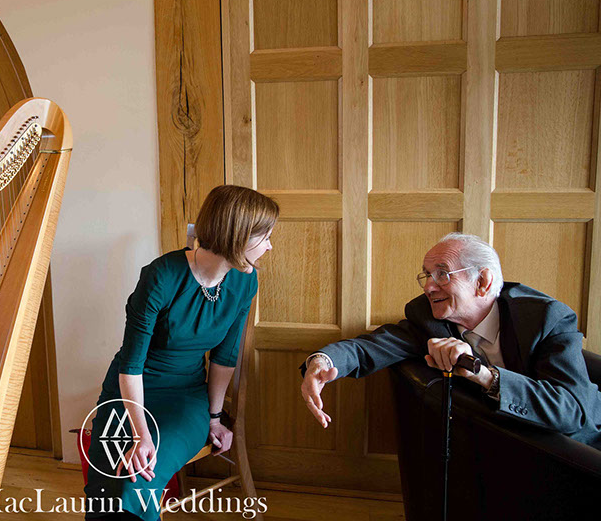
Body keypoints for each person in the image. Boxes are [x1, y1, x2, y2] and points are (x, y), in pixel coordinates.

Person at [83, 185, 279, 521]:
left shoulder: (245, 282)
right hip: (128, 394)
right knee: (105, 492)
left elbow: (225, 358)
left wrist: (215, 418)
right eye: (264, 237)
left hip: (185, 399)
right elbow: (131, 366)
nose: (269, 246)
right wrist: (141, 434)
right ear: (236, 236)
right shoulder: (160, 276)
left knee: (138, 480)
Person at [299, 232, 601, 447]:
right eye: (426, 274)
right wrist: (323, 362)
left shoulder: (547, 319)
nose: (429, 287)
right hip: (501, 451)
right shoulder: (427, 317)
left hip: (574, 451)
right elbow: (369, 346)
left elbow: (572, 412)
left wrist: (485, 376)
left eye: (442, 274)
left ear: (482, 282)